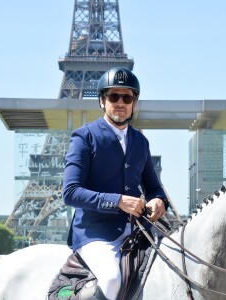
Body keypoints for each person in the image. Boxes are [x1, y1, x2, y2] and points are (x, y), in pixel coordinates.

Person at [63, 67, 169, 300]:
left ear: (134, 103)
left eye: (127, 97)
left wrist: (159, 200)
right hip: (96, 233)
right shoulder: (84, 137)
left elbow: (153, 186)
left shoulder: (140, 141)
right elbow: (70, 193)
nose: (120, 102)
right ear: (102, 101)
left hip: (138, 231)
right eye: (114, 97)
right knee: (111, 280)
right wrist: (118, 201)